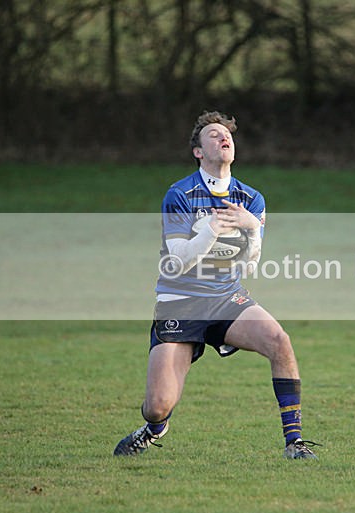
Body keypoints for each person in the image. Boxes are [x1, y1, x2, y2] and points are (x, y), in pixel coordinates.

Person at [113, 110, 318, 459]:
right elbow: (178, 260)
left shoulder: (251, 199)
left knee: (279, 341)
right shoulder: (179, 194)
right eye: (212, 135)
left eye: (227, 135)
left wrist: (252, 227)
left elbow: (250, 264)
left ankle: (294, 443)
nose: (223, 138)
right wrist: (211, 228)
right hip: (180, 303)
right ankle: (154, 429)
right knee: (158, 405)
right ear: (197, 151)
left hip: (226, 298)